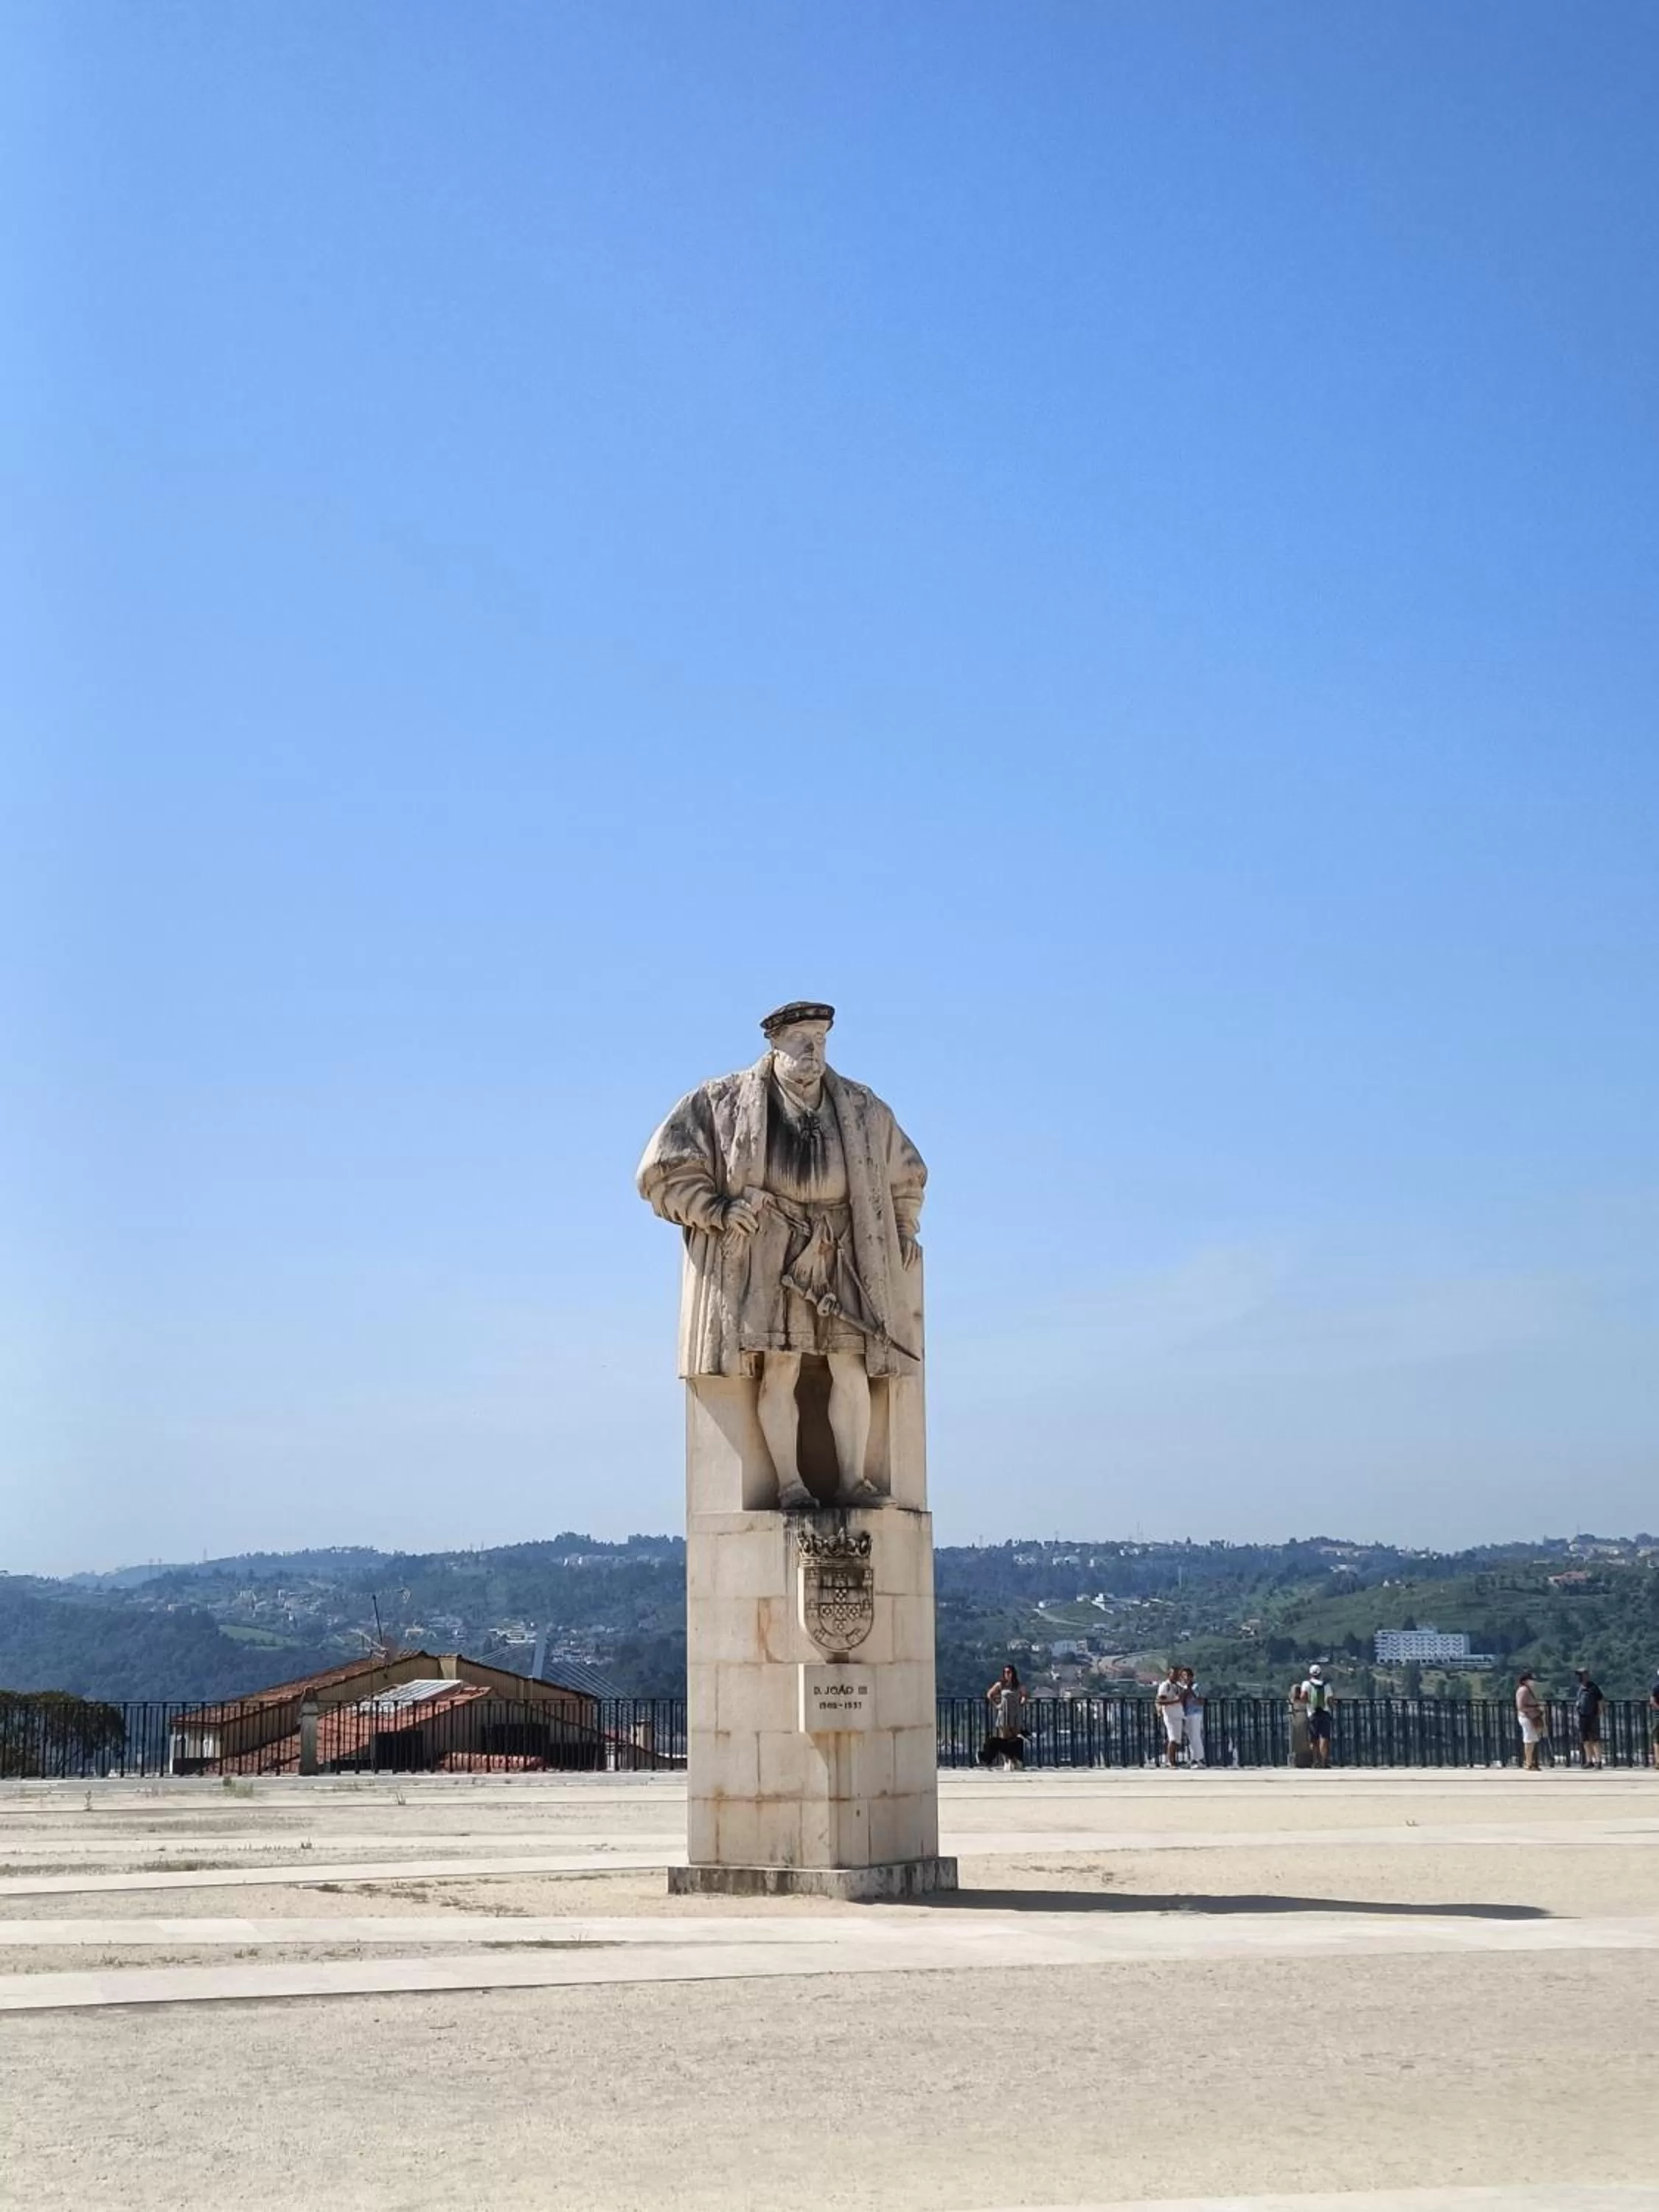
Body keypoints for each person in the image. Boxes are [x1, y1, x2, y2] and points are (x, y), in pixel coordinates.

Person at [637, 1002, 926, 1509]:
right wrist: (719, 1210)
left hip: (844, 1247)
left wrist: (900, 1230)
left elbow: (906, 1176)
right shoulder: (721, 1101)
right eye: (801, 1040)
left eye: (821, 1039)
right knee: (781, 1366)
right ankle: (789, 1484)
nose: (813, 1050)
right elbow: (664, 1170)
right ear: (775, 1044)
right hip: (769, 1247)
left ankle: (852, 1480)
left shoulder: (862, 1108)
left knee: (850, 1363)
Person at [980, 1664, 1028, 1769]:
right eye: (1006, 1672)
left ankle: (1015, 1760)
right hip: (1004, 1712)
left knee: (1015, 1738)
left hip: (1015, 1712)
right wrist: (996, 1705)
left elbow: (1024, 1694)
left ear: (1013, 1673)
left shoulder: (1018, 1685)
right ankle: (1007, 1761)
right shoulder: (1000, 1685)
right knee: (1005, 1738)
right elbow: (990, 1694)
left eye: (1009, 1672)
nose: (1007, 1674)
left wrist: (1023, 1700)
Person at [1296, 1664, 1335, 1767]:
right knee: (1324, 1738)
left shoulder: (1306, 1684)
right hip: (1325, 1713)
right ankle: (1324, 1761)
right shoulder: (1326, 1685)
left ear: (1310, 1674)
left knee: (1314, 1738)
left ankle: (1315, 1761)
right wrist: (1332, 1707)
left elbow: (1303, 1697)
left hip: (1313, 1713)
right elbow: (1330, 1700)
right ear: (1320, 1673)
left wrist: (1306, 1701)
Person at [1573, 1669, 1605, 1769]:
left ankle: (1598, 1761)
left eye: (1581, 1675)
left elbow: (1600, 1700)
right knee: (1585, 1739)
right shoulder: (1580, 1688)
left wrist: (1599, 1713)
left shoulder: (1593, 1687)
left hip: (1592, 1716)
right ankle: (1589, 1760)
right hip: (1582, 1716)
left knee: (1595, 1739)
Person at [1516, 1670, 1546, 1773]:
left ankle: (1531, 1761)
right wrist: (1535, 1708)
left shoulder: (1527, 1690)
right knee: (1529, 1740)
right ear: (1525, 1681)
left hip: (1530, 1717)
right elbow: (1521, 1706)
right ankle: (1529, 1762)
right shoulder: (1523, 1690)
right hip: (1527, 1717)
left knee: (1532, 1740)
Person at [1155, 1666, 1186, 1767]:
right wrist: (1175, 1701)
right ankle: (1170, 1761)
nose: (1176, 1676)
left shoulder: (1177, 1686)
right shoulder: (1165, 1686)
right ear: (1169, 1674)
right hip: (1170, 1715)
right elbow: (1160, 1701)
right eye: (1174, 1674)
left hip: (1178, 1714)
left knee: (1177, 1739)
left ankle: (1173, 1759)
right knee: (1172, 1738)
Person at [1180, 1667, 1207, 1768]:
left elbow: (1201, 1700)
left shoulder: (1195, 1687)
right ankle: (1194, 1758)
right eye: (1183, 1676)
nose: (1185, 1678)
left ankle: (1200, 1759)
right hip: (1187, 1713)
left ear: (1191, 1677)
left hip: (1195, 1713)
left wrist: (1190, 1692)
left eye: (1186, 1676)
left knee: (1195, 1736)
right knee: (1191, 1737)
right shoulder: (1184, 1688)